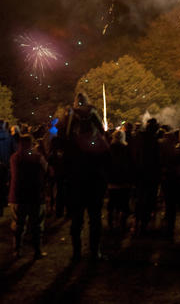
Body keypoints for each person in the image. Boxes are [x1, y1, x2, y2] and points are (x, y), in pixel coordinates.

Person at [64, 92, 110, 261]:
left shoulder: (73, 145)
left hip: (77, 183)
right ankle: (94, 251)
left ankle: (77, 252)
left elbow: (66, 136)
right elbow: (107, 161)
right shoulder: (99, 145)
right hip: (94, 184)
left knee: (78, 219)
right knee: (94, 219)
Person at [9, 134, 47, 259]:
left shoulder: (14, 157)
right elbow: (48, 170)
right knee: (36, 225)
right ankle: (37, 250)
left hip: (18, 195)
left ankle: (17, 250)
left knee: (18, 225)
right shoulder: (37, 157)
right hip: (35, 195)